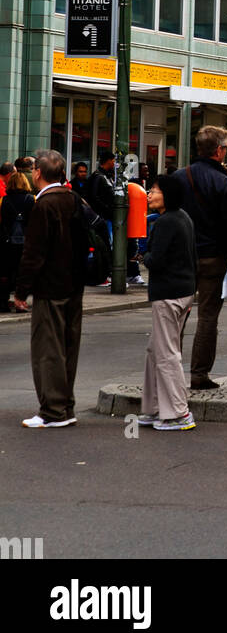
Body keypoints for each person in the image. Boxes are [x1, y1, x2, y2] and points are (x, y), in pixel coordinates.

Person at [12, 150, 86, 427]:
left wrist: (21, 290)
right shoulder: (73, 199)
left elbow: (33, 253)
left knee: (48, 349)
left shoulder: (43, 205)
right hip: (74, 285)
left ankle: (52, 410)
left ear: (39, 173)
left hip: (50, 286)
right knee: (68, 346)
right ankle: (66, 406)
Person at [171, 125, 227, 390]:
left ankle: (169, 370)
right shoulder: (224, 183)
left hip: (182, 257)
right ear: (219, 150)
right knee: (208, 316)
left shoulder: (177, 177)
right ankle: (199, 374)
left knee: (177, 315)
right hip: (212, 256)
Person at [137, 175, 198, 431]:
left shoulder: (165, 222)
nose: (149, 194)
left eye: (153, 190)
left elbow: (156, 260)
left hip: (168, 292)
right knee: (156, 351)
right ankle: (152, 407)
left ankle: (178, 412)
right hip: (182, 290)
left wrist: (143, 256)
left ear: (167, 194)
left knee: (166, 354)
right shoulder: (183, 217)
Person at [0, 171, 36, 310]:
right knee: (23, 272)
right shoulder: (32, 199)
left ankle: (3, 302)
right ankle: (21, 301)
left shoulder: (3, 200)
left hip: (7, 242)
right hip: (27, 242)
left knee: (6, 272)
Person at [83, 152, 117, 240]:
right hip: (103, 216)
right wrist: (107, 209)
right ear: (109, 161)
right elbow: (94, 197)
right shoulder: (98, 176)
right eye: (113, 161)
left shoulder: (106, 176)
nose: (114, 163)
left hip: (106, 216)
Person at [126, 177, 149, 286]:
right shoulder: (134, 193)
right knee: (132, 249)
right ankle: (132, 274)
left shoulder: (137, 195)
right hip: (130, 227)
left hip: (133, 227)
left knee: (133, 248)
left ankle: (134, 274)